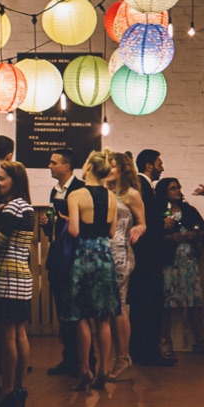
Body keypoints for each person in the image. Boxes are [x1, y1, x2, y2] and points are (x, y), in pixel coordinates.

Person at [67, 150, 119, 391]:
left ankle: (85, 369)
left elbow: (74, 230)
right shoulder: (111, 197)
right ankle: (104, 368)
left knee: (83, 315)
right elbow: (111, 232)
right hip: (104, 254)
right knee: (104, 316)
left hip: (85, 253)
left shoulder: (76, 195)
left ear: (88, 167)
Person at [156, 177, 204, 358]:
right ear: (164, 192)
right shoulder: (158, 211)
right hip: (168, 261)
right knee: (167, 302)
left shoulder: (189, 210)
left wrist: (192, 234)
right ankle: (165, 341)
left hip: (188, 261)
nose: (177, 191)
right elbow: (152, 236)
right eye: (172, 188)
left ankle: (201, 341)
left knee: (194, 302)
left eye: (178, 187)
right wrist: (169, 237)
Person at [129, 149, 174, 367]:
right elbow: (144, 219)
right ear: (149, 166)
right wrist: (162, 225)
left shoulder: (144, 186)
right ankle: (147, 352)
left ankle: (140, 350)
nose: (162, 167)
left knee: (141, 304)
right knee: (149, 304)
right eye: (159, 163)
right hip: (147, 256)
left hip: (143, 256)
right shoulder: (142, 187)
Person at [104, 150, 147, 380]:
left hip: (120, 251)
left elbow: (142, 222)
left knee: (118, 305)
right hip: (101, 251)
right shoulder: (101, 191)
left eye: (112, 166)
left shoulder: (130, 194)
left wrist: (138, 229)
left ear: (122, 169)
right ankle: (110, 356)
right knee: (106, 308)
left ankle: (123, 357)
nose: (108, 170)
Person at [0, 160, 34, 407]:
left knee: (8, 335)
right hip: (23, 275)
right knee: (20, 334)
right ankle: (19, 388)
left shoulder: (10, 209)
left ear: (14, 181)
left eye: (1, 179)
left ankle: (7, 389)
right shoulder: (26, 206)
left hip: (7, 276)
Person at [44, 149, 84, 376]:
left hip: (74, 255)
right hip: (59, 252)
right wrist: (46, 223)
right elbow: (55, 225)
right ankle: (69, 356)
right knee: (62, 309)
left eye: (53, 162)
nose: (49, 166)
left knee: (75, 309)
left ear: (66, 166)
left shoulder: (80, 190)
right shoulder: (54, 190)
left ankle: (83, 359)